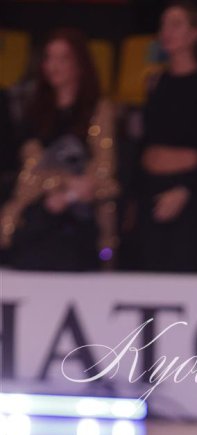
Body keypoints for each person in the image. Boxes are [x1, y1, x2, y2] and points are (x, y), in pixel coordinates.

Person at [0, 28, 118, 270]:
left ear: (79, 65)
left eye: (63, 59)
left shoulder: (98, 110)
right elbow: (31, 170)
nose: (53, 66)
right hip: (39, 205)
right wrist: (59, 184)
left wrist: (72, 193)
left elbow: (104, 168)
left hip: (83, 207)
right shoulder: (35, 113)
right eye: (49, 58)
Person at [130, 1, 197, 273]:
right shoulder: (156, 83)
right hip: (150, 188)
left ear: (195, 33)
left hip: (187, 193)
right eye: (164, 25)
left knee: (182, 268)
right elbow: (145, 140)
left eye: (176, 24)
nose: (166, 32)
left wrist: (185, 190)